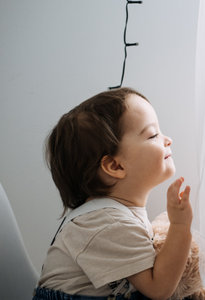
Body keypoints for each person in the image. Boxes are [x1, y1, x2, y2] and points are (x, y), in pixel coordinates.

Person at [33, 87, 193, 300]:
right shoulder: (107, 223)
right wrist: (180, 226)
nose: (167, 139)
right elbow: (159, 289)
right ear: (115, 166)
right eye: (153, 134)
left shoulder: (118, 216)